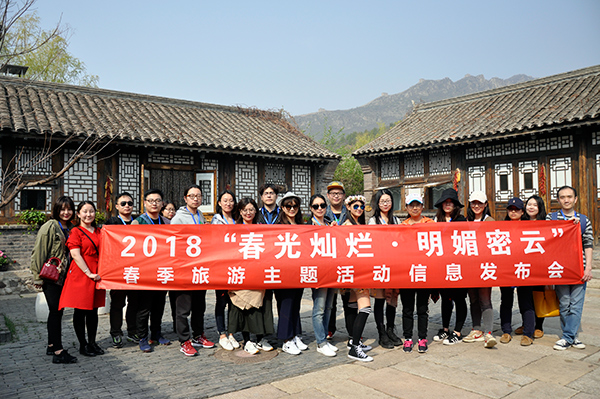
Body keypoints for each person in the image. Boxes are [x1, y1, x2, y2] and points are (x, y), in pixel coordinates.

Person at [30, 196, 78, 364]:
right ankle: (58, 351)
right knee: (56, 312)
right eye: (62, 209)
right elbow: (38, 252)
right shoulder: (49, 226)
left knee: (56, 312)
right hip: (51, 277)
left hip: (64, 277)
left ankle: (51, 345)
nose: (66, 212)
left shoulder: (71, 227)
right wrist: (37, 277)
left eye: (69, 209)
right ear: (56, 210)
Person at [170, 184, 215, 356]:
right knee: (183, 308)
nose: (195, 199)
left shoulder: (201, 215)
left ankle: (198, 335)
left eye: (198, 196)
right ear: (185, 198)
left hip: (200, 267)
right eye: (192, 196)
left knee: (199, 305)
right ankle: (184, 340)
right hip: (184, 269)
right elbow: (175, 243)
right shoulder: (178, 218)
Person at [548, 186, 593, 351]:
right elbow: (546, 239)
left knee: (576, 304)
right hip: (559, 268)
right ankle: (571, 336)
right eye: (562, 197)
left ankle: (567, 337)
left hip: (578, 269)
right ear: (558, 200)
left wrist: (588, 267)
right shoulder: (550, 218)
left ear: (575, 199)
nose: (566, 200)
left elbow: (588, 244)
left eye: (569, 197)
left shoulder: (583, 220)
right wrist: (565, 226)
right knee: (565, 303)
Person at [228, 198, 275, 355]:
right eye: (244, 210)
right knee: (244, 304)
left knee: (262, 305)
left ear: (256, 211)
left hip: (260, 273)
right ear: (240, 212)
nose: (248, 213)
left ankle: (261, 338)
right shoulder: (234, 229)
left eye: (251, 209)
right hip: (242, 273)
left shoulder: (263, 229)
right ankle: (247, 340)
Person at [59, 201, 105, 357]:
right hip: (82, 273)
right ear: (78, 214)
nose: (88, 214)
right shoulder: (76, 232)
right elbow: (75, 254)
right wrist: (88, 272)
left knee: (94, 310)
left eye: (91, 211)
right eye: (85, 211)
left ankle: (92, 342)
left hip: (97, 273)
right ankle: (82, 344)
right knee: (80, 311)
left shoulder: (99, 231)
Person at [132, 189, 172, 352]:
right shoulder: (138, 222)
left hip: (162, 270)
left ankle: (156, 333)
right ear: (145, 203)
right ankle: (142, 337)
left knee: (159, 305)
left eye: (158, 200)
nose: (154, 203)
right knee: (144, 307)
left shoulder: (166, 222)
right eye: (151, 200)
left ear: (162, 204)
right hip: (146, 271)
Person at [432, 188, 468, 345]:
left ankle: (458, 331)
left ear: (455, 205)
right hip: (442, 266)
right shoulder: (436, 220)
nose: (448, 205)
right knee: (446, 298)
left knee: (459, 298)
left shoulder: (461, 220)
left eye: (451, 202)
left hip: (459, 265)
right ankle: (445, 328)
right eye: (445, 202)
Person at [368, 189, 402, 350]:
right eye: (382, 201)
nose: (386, 204)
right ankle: (381, 332)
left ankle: (390, 329)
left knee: (392, 300)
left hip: (394, 265)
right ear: (377, 203)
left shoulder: (395, 220)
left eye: (388, 201)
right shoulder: (373, 221)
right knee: (380, 299)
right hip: (380, 265)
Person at [400, 193, 434, 353]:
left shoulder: (430, 224)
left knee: (422, 308)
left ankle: (422, 338)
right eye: (411, 205)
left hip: (424, 272)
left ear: (422, 206)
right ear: (406, 208)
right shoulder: (402, 226)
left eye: (417, 204)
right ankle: (407, 338)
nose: (415, 208)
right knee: (407, 308)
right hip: (406, 273)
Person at [463, 191, 497, 349]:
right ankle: (476, 329)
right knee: (473, 298)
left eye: (480, 203)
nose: (476, 206)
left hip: (484, 265)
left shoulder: (490, 221)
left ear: (485, 205)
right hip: (469, 266)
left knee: (485, 298)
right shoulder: (466, 221)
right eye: (473, 203)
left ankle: (488, 331)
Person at [499, 197, 535, 346]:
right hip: (506, 269)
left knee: (526, 300)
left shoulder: (529, 227)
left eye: (517, 210)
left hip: (523, 267)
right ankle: (506, 331)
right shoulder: (500, 227)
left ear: (522, 211)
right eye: (511, 209)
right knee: (506, 301)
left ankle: (528, 333)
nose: (513, 212)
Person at [275, 192, 307, 355]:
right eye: (289, 206)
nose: (292, 209)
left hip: (299, 271)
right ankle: (286, 339)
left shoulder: (303, 225)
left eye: (295, 206)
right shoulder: (278, 226)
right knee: (286, 304)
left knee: (296, 304)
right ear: (282, 208)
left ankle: (294, 334)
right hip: (283, 272)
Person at [105, 192, 138, 348]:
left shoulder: (138, 222)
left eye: (130, 203)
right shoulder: (111, 222)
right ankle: (116, 333)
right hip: (118, 270)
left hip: (136, 268)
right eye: (123, 203)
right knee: (117, 304)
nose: (127, 206)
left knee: (134, 303)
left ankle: (132, 331)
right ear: (117, 206)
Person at [342, 194, 373, 362]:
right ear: (348, 207)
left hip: (355, 271)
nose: (359, 209)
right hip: (356, 271)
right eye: (355, 206)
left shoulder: (358, 224)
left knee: (353, 305)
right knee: (365, 307)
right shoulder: (348, 225)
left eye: (361, 207)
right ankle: (355, 347)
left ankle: (353, 341)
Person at [308, 194, 338, 357]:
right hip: (317, 272)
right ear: (311, 209)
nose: (319, 208)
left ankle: (325, 337)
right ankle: (320, 342)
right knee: (319, 308)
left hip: (331, 271)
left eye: (322, 205)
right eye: (315, 206)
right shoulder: (308, 226)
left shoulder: (329, 223)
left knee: (328, 306)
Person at [514, 195, 547, 339]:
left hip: (539, 266)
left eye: (534, 205)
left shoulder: (547, 223)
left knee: (538, 295)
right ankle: (526, 323)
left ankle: (538, 326)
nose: (531, 207)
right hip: (523, 265)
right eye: (529, 204)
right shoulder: (521, 222)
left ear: (539, 207)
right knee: (523, 297)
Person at [211, 190, 240, 351]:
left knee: (234, 301)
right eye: (225, 200)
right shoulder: (216, 221)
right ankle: (221, 333)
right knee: (221, 301)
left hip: (236, 266)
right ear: (219, 203)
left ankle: (231, 332)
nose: (228, 203)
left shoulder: (237, 220)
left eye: (231, 200)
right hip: (221, 267)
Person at [324, 181, 348, 340]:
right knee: (330, 299)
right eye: (333, 193)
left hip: (347, 260)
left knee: (348, 298)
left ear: (343, 196)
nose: (336, 196)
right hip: (329, 262)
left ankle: (351, 329)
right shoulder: (322, 212)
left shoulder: (351, 212)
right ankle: (329, 328)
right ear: (328, 196)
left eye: (339, 193)